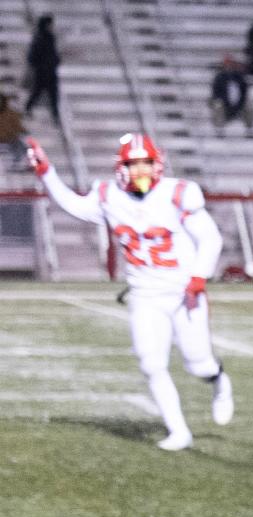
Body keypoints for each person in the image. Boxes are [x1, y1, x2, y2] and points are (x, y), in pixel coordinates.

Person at [27, 133, 232, 451]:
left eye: (145, 163)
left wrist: (198, 277)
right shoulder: (109, 195)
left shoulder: (178, 193)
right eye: (133, 164)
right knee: (151, 363)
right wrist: (47, 173)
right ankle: (179, 430)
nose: (140, 171)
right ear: (121, 167)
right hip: (144, 295)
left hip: (183, 294)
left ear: (157, 164)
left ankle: (220, 383)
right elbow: (73, 205)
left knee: (199, 364)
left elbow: (211, 239)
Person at [24, 15, 60, 124]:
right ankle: (27, 110)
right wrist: (39, 66)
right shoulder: (38, 39)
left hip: (50, 72)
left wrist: (55, 61)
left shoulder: (50, 38)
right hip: (41, 73)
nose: (51, 27)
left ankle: (55, 116)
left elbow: (53, 53)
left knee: (53, 95)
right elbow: (32, 56)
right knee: (36, 93)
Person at [209, 55, 253, 138]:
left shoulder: (239, 77)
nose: (229, 66)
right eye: (227, 64)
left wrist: (239, 103)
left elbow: (244, 92)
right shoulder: (219, 78)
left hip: (238, 105)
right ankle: (219, 130)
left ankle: (250, 130)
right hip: (224, 105)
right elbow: (215, 94)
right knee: (217, 105)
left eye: (230, 63)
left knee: (250, 105)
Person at [0, 94, 27, 169]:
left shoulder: (11, 113)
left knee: (21, 144)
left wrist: (23, 131)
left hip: (8, 138)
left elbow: (17, 125)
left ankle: (19, 160)